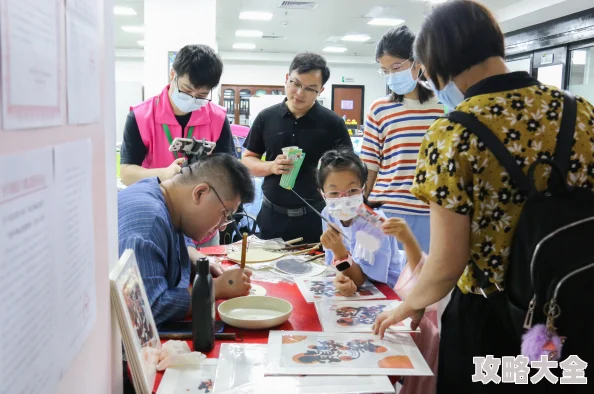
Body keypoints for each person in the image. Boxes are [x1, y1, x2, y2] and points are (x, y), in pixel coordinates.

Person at [372, 1, 594, 393]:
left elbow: (447, 263)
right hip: (575, 297)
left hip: (493, 318)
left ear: (438, 61)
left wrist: (409, 304)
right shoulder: (583, 113)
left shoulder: (452, 133)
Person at [120, 44, 235, 248]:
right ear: (173, 74)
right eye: (187, 90)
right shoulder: (141, 116)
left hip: (204, 227)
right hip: (160, 220)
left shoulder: (217, 118)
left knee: (206, 277)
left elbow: (230, 170)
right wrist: (164, 174)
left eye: (201, 95)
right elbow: (127, 173)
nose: (192, 98)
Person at [118, 154, 254, 326]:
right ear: (200, 193)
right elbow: (146, 310)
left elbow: (178, 235)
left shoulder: (163, 194)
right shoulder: (148, 222)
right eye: (224, 214)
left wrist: (194, 258)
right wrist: (214, 289)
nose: (222, 226)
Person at [242, 53, 353, 243]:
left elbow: (349, 171)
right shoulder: (266, 117)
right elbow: (246, 161)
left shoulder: (333, 123)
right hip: (272, 216)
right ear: (287, 79)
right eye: (296, 84)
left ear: (321, 90)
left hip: (316, 218)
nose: (300, 93)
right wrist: (271, 167)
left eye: (310, 89)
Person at [361, 26, 444, 253]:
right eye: (384, 70)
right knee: (384, 278)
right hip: (386, 209)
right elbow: (370, 165)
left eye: (396, 67)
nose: (391, 75)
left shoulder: (444, 104)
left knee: (423, 279)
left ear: (417, 62)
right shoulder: (379, 109)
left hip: (432, 211)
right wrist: (362, 205)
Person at [317, 149, 420, 293]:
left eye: (352, 190)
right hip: (356, 290)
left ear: (363, 187)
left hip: (386, 292)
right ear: (322, 193)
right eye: (334, 193)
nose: (344, 199)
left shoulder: (374, 223)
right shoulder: (328, 214)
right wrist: (341, 279)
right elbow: (336, 267)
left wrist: (340, 253)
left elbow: (359, 280)